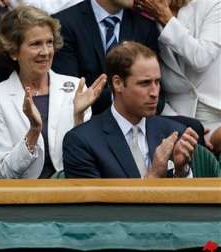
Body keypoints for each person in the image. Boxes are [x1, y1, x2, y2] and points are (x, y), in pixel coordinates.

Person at [0, 6, 106, 178]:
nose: (46, 52)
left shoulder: (76, 88)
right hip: (25, 198)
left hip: (71, 191)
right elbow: (6, 172)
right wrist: (34, 130)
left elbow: (86, 160)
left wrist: (78, 118)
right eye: (35, 44)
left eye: (49, 42)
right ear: (13, 51)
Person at [63, 41, 198, 178]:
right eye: (144, 83)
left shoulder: (174, 133)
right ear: (118, 83)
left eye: (157, 82)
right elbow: (92, 199)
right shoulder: (82, 141)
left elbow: (191, 197)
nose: (154, 92)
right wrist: (155, 173)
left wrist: (181, 171)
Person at [51, 0, 160, 115]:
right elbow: (71, 92)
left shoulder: (145, 26)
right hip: (87, 121)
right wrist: (129, 97)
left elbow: (157, 91)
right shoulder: (65, 24)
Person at [135, 0, 221, 136]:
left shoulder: (211, 5)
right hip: (176, 118)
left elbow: (201, 58)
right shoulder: (142, 18)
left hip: (215, 114)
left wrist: (166, 18)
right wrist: (178, 126)